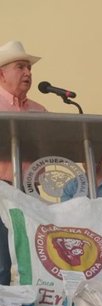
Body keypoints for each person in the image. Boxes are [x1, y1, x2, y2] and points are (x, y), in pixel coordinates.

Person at [0, 40, 46, 285]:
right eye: (21, 67)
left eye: (29, 68)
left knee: (32, 260)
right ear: (2, 74)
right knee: (2, 262)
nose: (28, 73)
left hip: (31, 193)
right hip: (1, 190)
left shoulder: (39, 111)